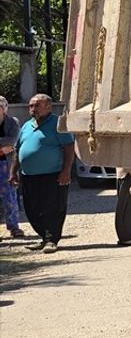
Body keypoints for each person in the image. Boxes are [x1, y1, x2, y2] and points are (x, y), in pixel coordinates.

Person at [8, 93, 76, 253]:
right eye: (31, 106)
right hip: (29, 176)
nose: (33, 109)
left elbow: (69, 148)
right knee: (32, 208)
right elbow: (18, 151)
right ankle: (43, 238)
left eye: (37, 105)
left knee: (52, 208)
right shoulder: (26, 126)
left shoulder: (59, 124)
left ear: (49, 107)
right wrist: (13, 172)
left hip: (52, 175)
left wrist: (66, 171)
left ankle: (52, 240)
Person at [0, 97, 26, 239]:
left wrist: (7, 146)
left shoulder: (12, 122)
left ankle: (14, 227)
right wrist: (2, 148)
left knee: (10, 196)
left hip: (7, 165)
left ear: (4, 109)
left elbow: (12, 140)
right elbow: (6, 144)